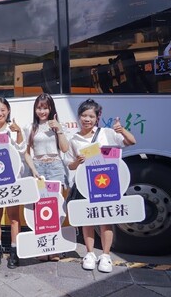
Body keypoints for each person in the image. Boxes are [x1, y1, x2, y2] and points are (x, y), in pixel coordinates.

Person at [66, 99, 136, 273]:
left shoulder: (106, 133)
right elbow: (70, 165)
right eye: (84, 115)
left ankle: (105, 255)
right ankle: (89, 253)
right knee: (87, 221)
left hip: (106, 184)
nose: (87, 119)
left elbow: (131, 142)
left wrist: (122, 130)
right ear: (79, 117)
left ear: (98, 118)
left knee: (106, 220)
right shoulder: (74, 139)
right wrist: (77, 161)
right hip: (85, 185)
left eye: (91, 116)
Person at [23, 93, 69, 262]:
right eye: (39, 107)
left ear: (51, 108)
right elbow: (26, 152)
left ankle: (55, 247)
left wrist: (59, 129)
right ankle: (43, 247)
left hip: (56, 167)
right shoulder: (30, 127)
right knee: (40, 209)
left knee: (55, 209)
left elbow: (64, 149)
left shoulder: (56, 125)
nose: (42, 111)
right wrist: (33, 169)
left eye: (45, 107)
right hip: (39, 167)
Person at [0, 97, 26, 269]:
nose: (0, 113)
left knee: (13, 217)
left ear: (8, 111)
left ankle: (14, 250)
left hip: (12, 179)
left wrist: (18, 133)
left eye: (3, 110)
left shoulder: (14, 130)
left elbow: (22, 151)